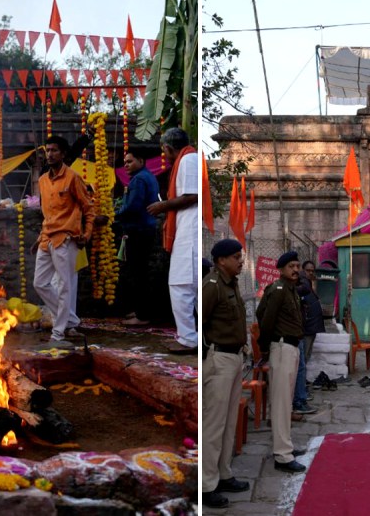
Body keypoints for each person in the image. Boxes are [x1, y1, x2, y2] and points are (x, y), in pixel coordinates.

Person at [32, 135, 95, 345]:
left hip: (66, 239)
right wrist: (39, 237)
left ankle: (58, 334)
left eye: (54, 150)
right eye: (47, 150)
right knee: (40, 283)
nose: (49, 154)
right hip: (46, 238)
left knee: (65, 287)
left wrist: (86, 235)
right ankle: (70, 319)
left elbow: (88, 208)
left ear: (64, 154)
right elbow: (46, 214)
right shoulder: (42, 180)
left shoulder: (73, 178)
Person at [201, 239, 249, 508]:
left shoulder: (231, 283)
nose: (240, 261)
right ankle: (207, 485)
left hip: (234, 357)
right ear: (221, 261)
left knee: (229, 422)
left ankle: (223, 473)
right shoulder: (213, 285)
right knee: (214, 424)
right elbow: (202, 318)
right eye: (235, 257)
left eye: (240, 256)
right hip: (218, 359)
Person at [146, 127, 198, 354]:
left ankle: (189, 339)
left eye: (164, 151)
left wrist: (163, 206)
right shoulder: (189, 159)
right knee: (186, 285)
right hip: (186, 230)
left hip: (190, 232)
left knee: (181, 285)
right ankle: (193, 338)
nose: (164, 156)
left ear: (168, 148)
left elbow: (192, 195)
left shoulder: (188, 160)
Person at [256, 251, 307, 474]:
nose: (295, 270)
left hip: (291, 347)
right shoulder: (277, 290)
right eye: (291, 266)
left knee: (285, 401)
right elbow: (264, 317)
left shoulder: (291, 290)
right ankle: (282, 456)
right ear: (281, 269)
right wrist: (265, 346)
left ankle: (285, 446)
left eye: (297, 266)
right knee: (281, 402)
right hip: (281, 347)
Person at [116, 149, 159, 326]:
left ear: (141, 160)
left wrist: (114, 214)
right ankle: (141, 310)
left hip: (139, 230)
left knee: (138, 273)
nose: (126, 165)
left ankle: (142, 315)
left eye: (130, 161)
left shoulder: (139, 180)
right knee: (140, 272)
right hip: (144, 229)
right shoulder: (146, 177)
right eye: (125, 162)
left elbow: (133, 206)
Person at [293, 261, 324, 415]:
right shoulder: (303, 284)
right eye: (308, 270)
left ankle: (302, 390)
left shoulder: (308, 284)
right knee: (302, 360)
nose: (311, 273)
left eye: (313, 271)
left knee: (306, 358)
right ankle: (300, 393)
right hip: (305, 329)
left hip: (312, 328)